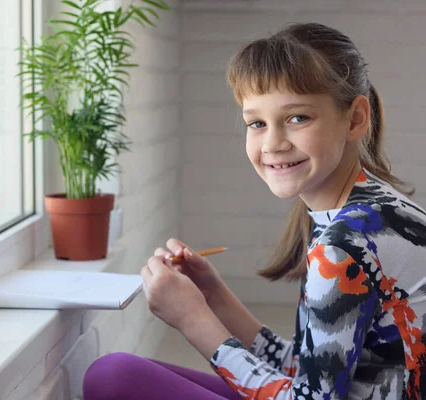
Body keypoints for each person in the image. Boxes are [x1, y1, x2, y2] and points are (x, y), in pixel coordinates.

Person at [83, 22, 426, 400]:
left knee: (113, 376)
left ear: (355, 119)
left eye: (298, 118)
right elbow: (311, 371)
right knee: (126, 374)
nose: (274, 143)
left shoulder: (345, 244)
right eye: (257, 123)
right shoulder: (369, 212)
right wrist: (214, 299)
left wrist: (192, 319)